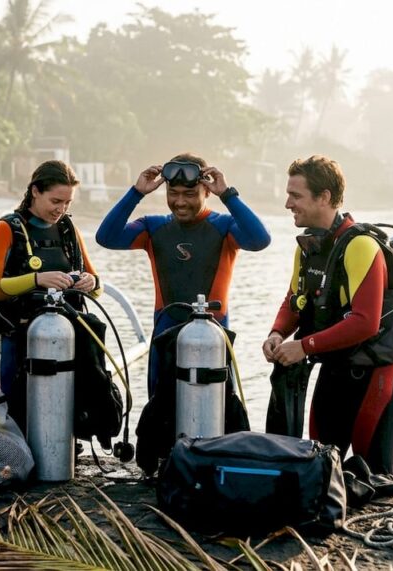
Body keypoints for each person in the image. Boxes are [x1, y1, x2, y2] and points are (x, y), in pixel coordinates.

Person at [262, 155, 393, 477]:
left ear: (324, 197)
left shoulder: (361, 246)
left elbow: (365, 322)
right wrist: (277, 334)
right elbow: (295, 299)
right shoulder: (309, 246)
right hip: (334, 368)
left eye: (295, 195)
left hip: (374, 375)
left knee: (374, 475)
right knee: (323, 467)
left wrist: (303, 346)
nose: (287, 204)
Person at [96, 153, 271, 396]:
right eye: (173, 193)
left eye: (189, 194)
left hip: (212, 340)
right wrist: (136, 193)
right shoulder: (153, 227)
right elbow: (106, 237)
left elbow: (260, 239)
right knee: (160, 414)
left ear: (207, 191)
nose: (180, 202)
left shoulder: (224, 227)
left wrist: (227, 194)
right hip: (164, 340)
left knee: (216, 413)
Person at [0, 160, 102, 395]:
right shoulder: (7, 229)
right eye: (55, 201)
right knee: (20, 409)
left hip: (67, 339)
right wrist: (36, 279)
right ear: (35, 191)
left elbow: (97, 288)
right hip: (19, 339)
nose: (61, 209)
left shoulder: (68, 230)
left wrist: (92, 282)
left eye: (67, 203)